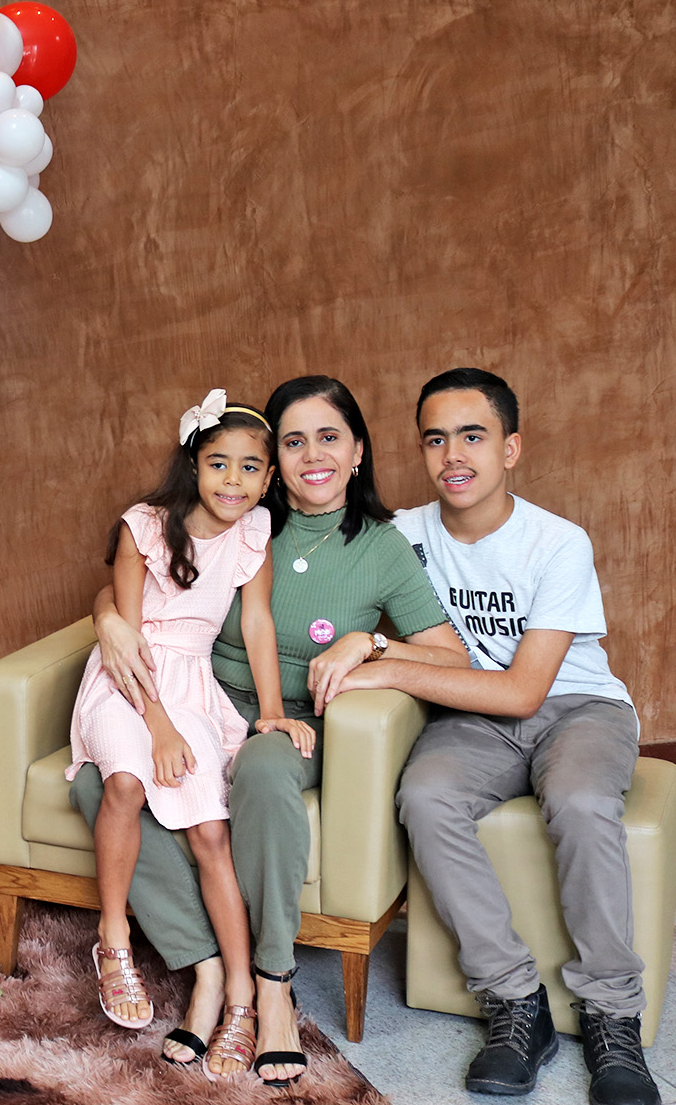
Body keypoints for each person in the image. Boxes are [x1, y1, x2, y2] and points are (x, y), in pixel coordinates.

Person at [75, 375, 467, 1086]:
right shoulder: (245, 514)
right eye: (293, 442)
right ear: (272, 461)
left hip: (295, 720)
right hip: (191, 695)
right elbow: (152, 570)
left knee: (259, 763)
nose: (312, 456)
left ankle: (273, 985)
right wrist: (107, 616)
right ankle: (206, 970)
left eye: (330, 438)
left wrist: (370, 645)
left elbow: (450, 658)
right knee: (100, 784)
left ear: (358, 452)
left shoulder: (382, 547)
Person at [328, 369, 659, 1105]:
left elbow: (524, 690)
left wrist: (385, 660)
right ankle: (515, 1002)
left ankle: (612, 1013)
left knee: (579, 801)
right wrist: (364, 642)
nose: (453, 455)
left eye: (472, 436)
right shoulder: (401, 535)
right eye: (436, 439)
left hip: (578, 707)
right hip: (473, 719)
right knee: (425, 796)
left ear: (510, 449)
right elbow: (294, 565)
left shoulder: (557, 542)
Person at [66, 389, 291, 1078]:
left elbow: (256, 623)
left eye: (250, 468)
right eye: (219, 463)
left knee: (211, 834)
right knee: (126, 783)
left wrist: (273, 711)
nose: (233, 481)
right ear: (194, 465)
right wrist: (158, 726)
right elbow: (127, 639)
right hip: (127, 680)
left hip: (191, 686)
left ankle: (241, 998)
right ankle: (113, 940)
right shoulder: (145, 526)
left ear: (268, 479)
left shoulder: (253, 535)